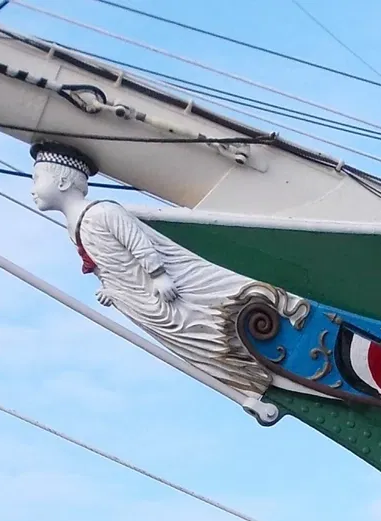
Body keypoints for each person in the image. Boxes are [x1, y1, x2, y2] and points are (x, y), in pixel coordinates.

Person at [28, 140, 287, 414]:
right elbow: (111, 266)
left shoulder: (101, 212)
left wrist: (159, 274)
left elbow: (137, 242)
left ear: (63, 181)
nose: (32, 189)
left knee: (204, 319)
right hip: (144, 303)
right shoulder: (75, 229)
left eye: (36, 179)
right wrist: (111, 289)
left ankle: (262, 352)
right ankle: (247, 375)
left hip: (165, 289)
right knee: (194, 342)